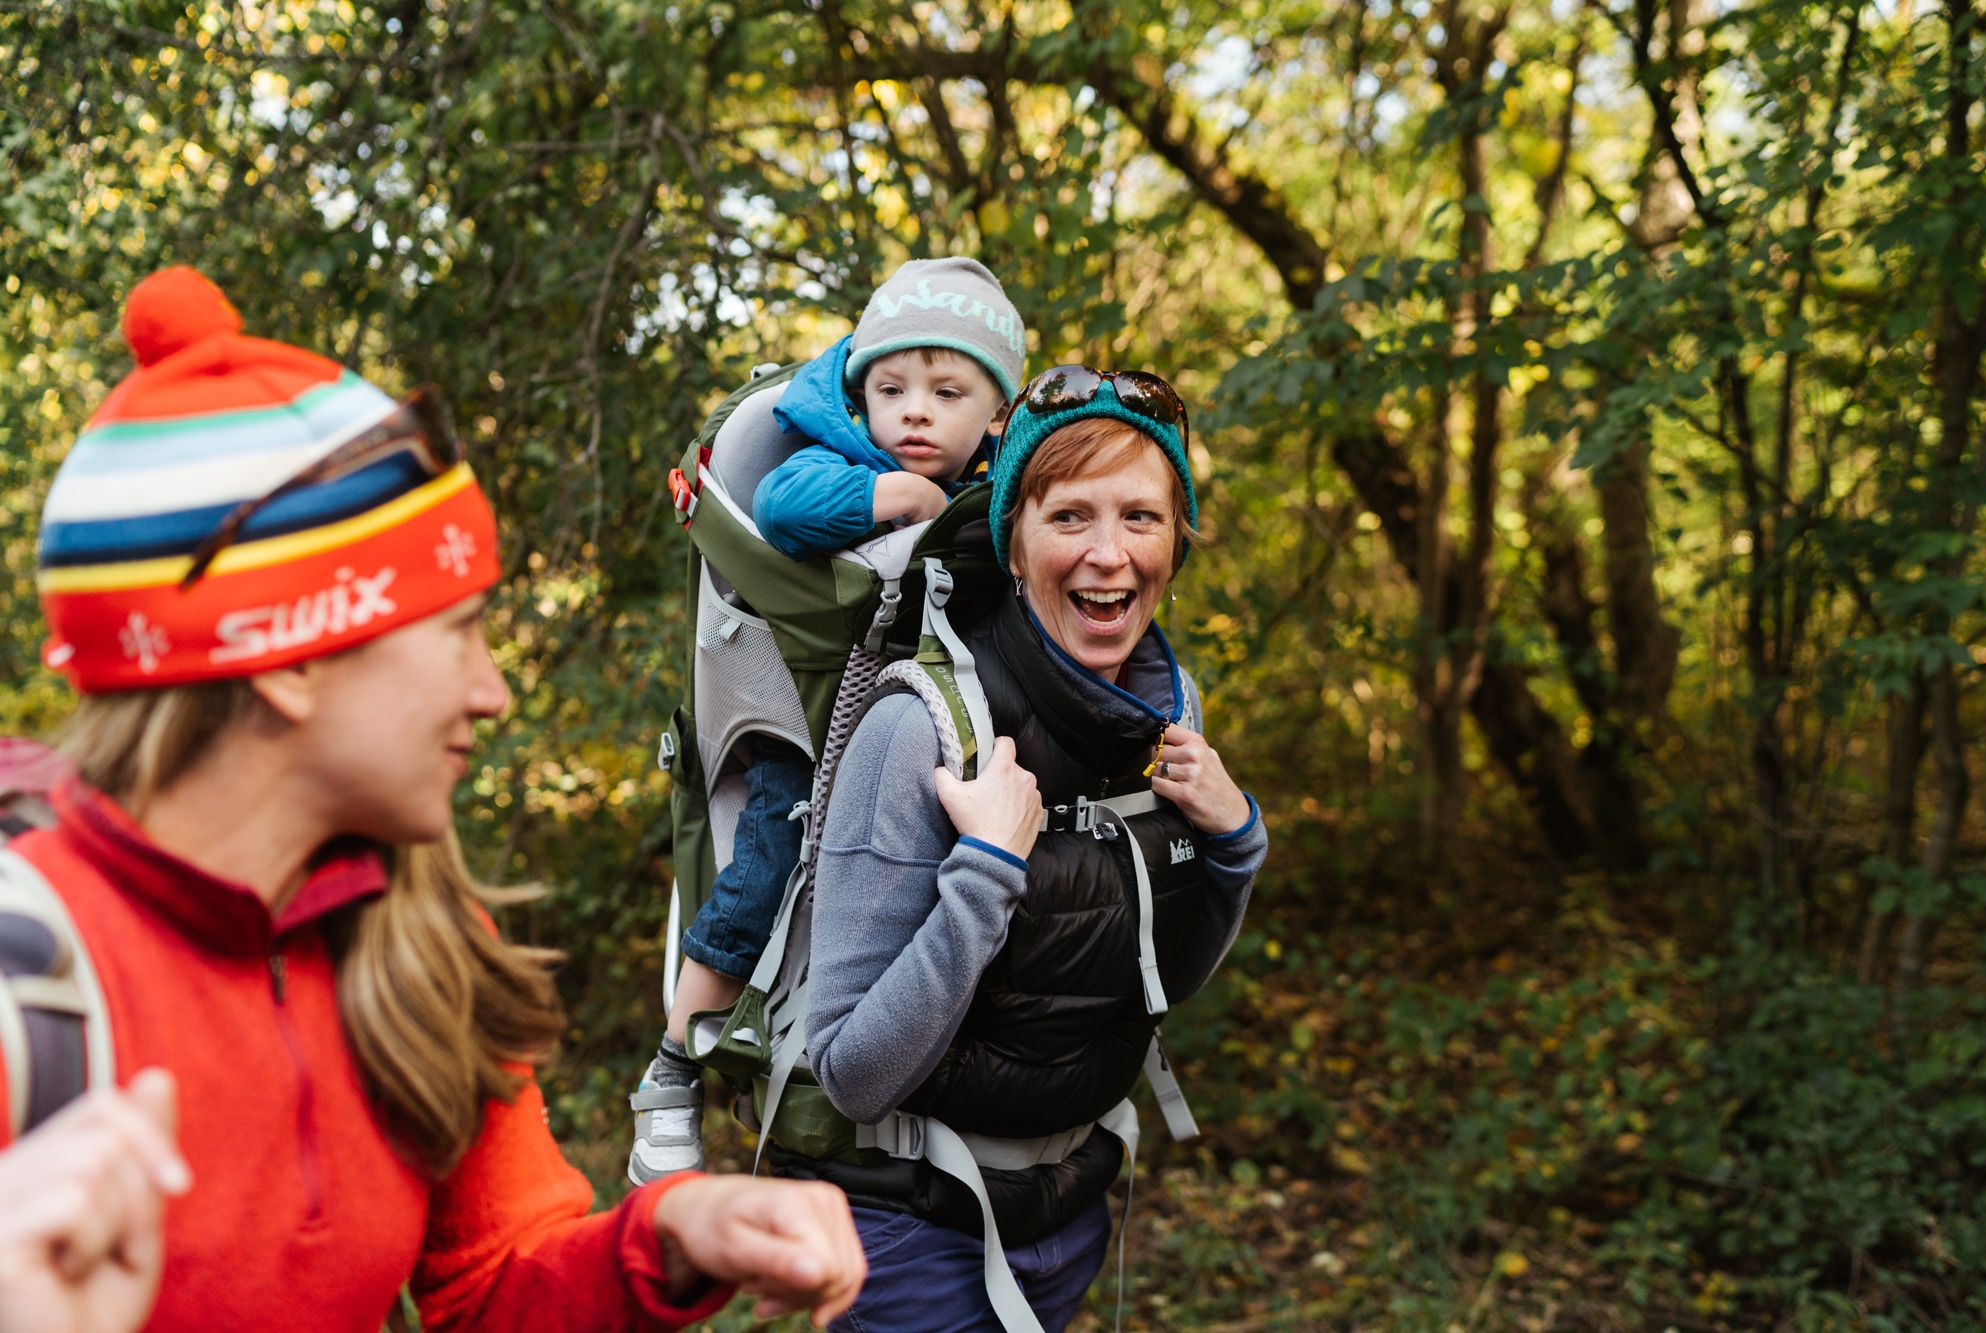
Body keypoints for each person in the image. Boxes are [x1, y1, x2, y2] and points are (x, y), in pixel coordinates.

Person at [0, 266, 865, 1333]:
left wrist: (671, 1236)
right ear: (289, 658)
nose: (490, 689)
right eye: (455, 630)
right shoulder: (23, 974)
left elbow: (495, 1284)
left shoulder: (416, 934)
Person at [786, 366, 1269, 1331]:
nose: (1109, 554)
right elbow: (852, 1071)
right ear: (1013, 542)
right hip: (911, 1234)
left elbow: (1153, 975)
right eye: (1070, 517)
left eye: (1142, 517)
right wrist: (985, 876)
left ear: (1179, 539)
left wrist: (1234, 842)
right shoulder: (918, 731)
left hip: (1071, 1210)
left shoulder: (1162, 717)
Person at [632, 257, 1027, 1182]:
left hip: (927, 730)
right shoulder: (841, 452)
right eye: (890, 388)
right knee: (766, 863)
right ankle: (674, 1063)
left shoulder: (1002, 478)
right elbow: (784, 506)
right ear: (860, 394)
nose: (915, 411)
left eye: (945, 390)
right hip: (805, 729)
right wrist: (892, 498)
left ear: (996, 412)